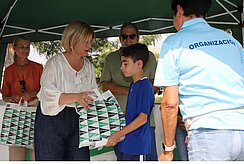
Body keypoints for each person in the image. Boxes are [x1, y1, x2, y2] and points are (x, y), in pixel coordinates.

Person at [154, 0, 244, 161]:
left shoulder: (174, 43)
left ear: (179, 11)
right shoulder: (232, 41)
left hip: (208, 133)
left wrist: (168, 150)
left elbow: (169, 104)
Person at [34, 21, 98, 160]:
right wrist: (77, 96)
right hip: (51, 120)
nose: (89, 46)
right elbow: (47, 95)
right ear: (73, 40)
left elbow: (93, 93)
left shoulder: (88, 67)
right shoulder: (54, 63)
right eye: (86, 41)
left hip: (79, 119)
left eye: (90, 41)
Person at [100, 22, 158, 160]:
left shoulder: (143, 86)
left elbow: (142, 118)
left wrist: (119, 134)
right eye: (124, 36)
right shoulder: (134, 85)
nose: (128, 39)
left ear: (139, 64)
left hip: (138, 142)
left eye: (132, 36)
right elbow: (104, 85)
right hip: (125, 135)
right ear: (120, 39)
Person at [1, 35, 43, 161]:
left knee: (38, 150)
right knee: (16, 155)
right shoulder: (9, 71)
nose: (25, 49)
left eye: (27, 47)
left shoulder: (38, 68)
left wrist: (33, 93)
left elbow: (47, 90)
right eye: (21, 46)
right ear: (14, 48)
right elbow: (4, 96)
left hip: (35, 109)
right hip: (16, 112)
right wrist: (11, 97)